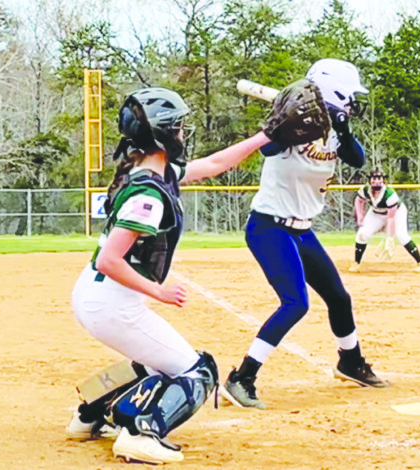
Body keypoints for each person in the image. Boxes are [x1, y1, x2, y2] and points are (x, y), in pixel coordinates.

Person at [66, 87, 275, 464]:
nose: (182, 134)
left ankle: (90, 415)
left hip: (97, 297)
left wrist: (266, 135)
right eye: (177, 128)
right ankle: (141, 431)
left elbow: (214, 165)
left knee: (161, 359)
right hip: (112, 302)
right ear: (162, 135)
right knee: (198, 371)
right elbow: (109, 259)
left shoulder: (149, 171)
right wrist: (158, 292)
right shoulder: (149, 195)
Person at [222, 59, 388, 411]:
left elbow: (356, 159)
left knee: (339, 298)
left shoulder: (333, 130)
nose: (352, 104)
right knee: (296, 302)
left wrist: (341, 129)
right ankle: (243, 377)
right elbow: (266, 149)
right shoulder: (293, 128)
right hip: (269, 227)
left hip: (302, 230)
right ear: (334, 92)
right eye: (348, 98)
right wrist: (283, 123)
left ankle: (350, 361)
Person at [348, 170, 420, 272]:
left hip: (397, 213)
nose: (377, 181)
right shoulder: (365, 190)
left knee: (401, 236)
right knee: (362, 234)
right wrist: (360, 216)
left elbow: (391, 218)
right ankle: (356, 263)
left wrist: (389, 238)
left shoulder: (390, 195)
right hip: (376, 212)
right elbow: (359, 200)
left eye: (379, 178)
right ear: (369, 180)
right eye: (374, 178)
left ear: (383, 181)